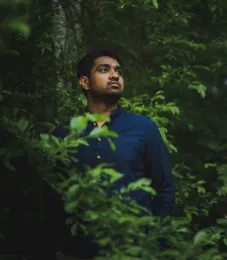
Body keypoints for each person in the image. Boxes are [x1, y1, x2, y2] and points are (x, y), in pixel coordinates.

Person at [43, 47, 176, 260]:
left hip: (134, 251)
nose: (115, 75)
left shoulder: (144, 128)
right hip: (78, 252)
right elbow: (52, 199)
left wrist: (156, 245)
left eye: (118, 71)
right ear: (85, 82)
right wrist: (57, 249)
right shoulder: (65, 133)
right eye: (104, 70)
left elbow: (164, 190)